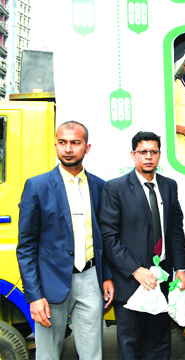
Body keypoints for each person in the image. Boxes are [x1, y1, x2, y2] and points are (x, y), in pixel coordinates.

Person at [17, 121, 113, 360]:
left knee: (92, 354)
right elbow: (26, 247)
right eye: (62, 142)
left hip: (91, 280)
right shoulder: (37, 186)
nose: (68, 148)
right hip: (50, 284)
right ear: (56, 145)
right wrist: (34, 296)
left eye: (75, 143)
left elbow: (103, 239)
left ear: (87, 148)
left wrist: (107, 276)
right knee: (48, 354)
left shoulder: (99, 186)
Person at [99, 131, 185, 360]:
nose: (148, 157)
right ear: (133, 155)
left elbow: (175, 231)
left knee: (159, 344)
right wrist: (136, 270)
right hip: (131, 284)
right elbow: (108, 237)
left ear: (159, 155)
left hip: (162, 282)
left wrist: (180, 268)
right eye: (143, 152)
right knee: (131, 347)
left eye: (153, 152)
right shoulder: (115, 188)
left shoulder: (169, 186)